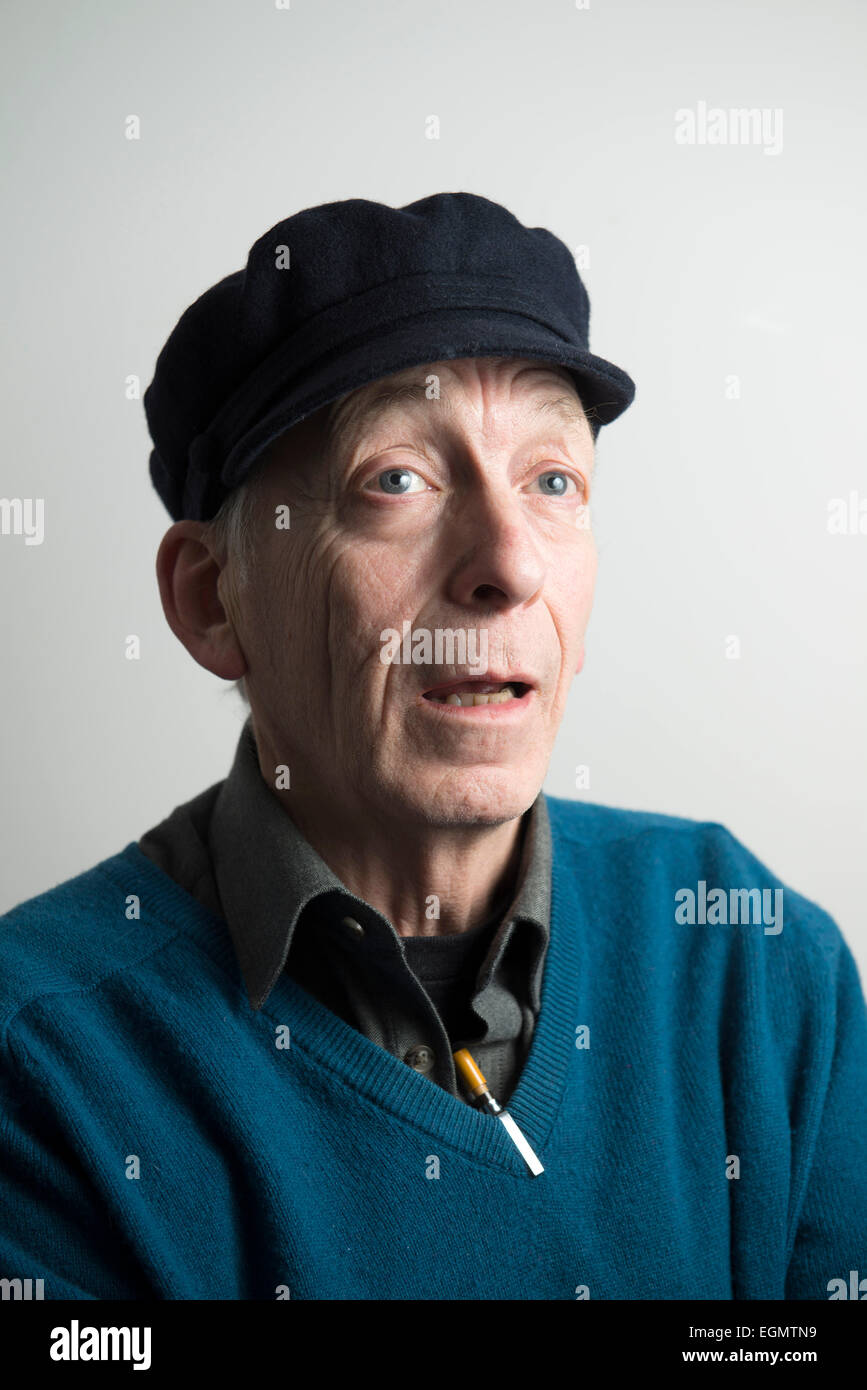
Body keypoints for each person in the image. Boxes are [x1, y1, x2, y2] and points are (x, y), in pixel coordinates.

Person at [1, 193, 864, 1301]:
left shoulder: (756, 960)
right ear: (216, 599)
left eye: (553, 480)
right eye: (397, 479)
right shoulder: (42, 1066)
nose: (509, 562)